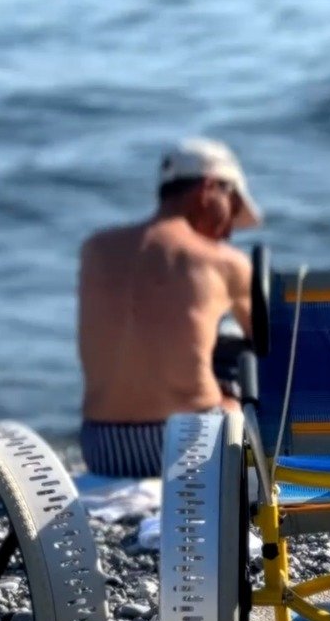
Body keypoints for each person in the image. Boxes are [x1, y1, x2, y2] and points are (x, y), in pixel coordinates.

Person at [77, 138, 263, 478]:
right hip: (186, 445)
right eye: (233, 205)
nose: (232, 225)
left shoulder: (95, 249)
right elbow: (269, 345)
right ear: (208, 189)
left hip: (102, 448)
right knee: (240, 389)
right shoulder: (224, 263)